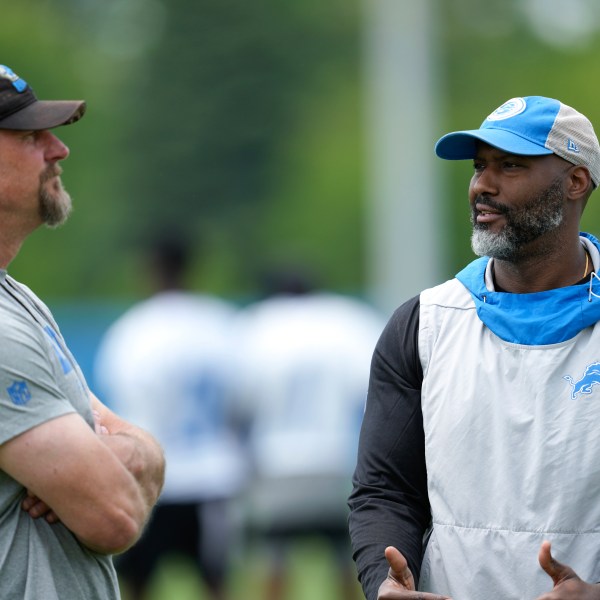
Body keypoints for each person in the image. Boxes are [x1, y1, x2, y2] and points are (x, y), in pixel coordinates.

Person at [348, 96, 600, 599]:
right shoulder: (423, 324)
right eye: (479, 166)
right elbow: (386, 491)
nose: (483, 186)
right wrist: (384, 582)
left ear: (575, 182)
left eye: (510, 165)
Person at [0, 64, 165, 600]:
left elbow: (142, 453)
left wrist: (122, 456)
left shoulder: (20, 302)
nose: (59, 149)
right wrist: (107, 468)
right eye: (29, 136)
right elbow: (113, 515)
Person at [94, 233, 247, 600]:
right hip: (213, 475)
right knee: (217, 583)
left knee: (136, 585)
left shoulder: (131, 331)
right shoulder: (221, 324)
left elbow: (116, 411)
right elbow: (243, 402)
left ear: (150, 270)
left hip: (150, 479)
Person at [233, 269, 385, 600]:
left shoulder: (258, 327)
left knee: (273, 560)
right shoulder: (342, 322)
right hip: (331, 459)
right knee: (346, 559)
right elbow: (372, 389)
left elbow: (238, 400)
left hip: (276, 462)